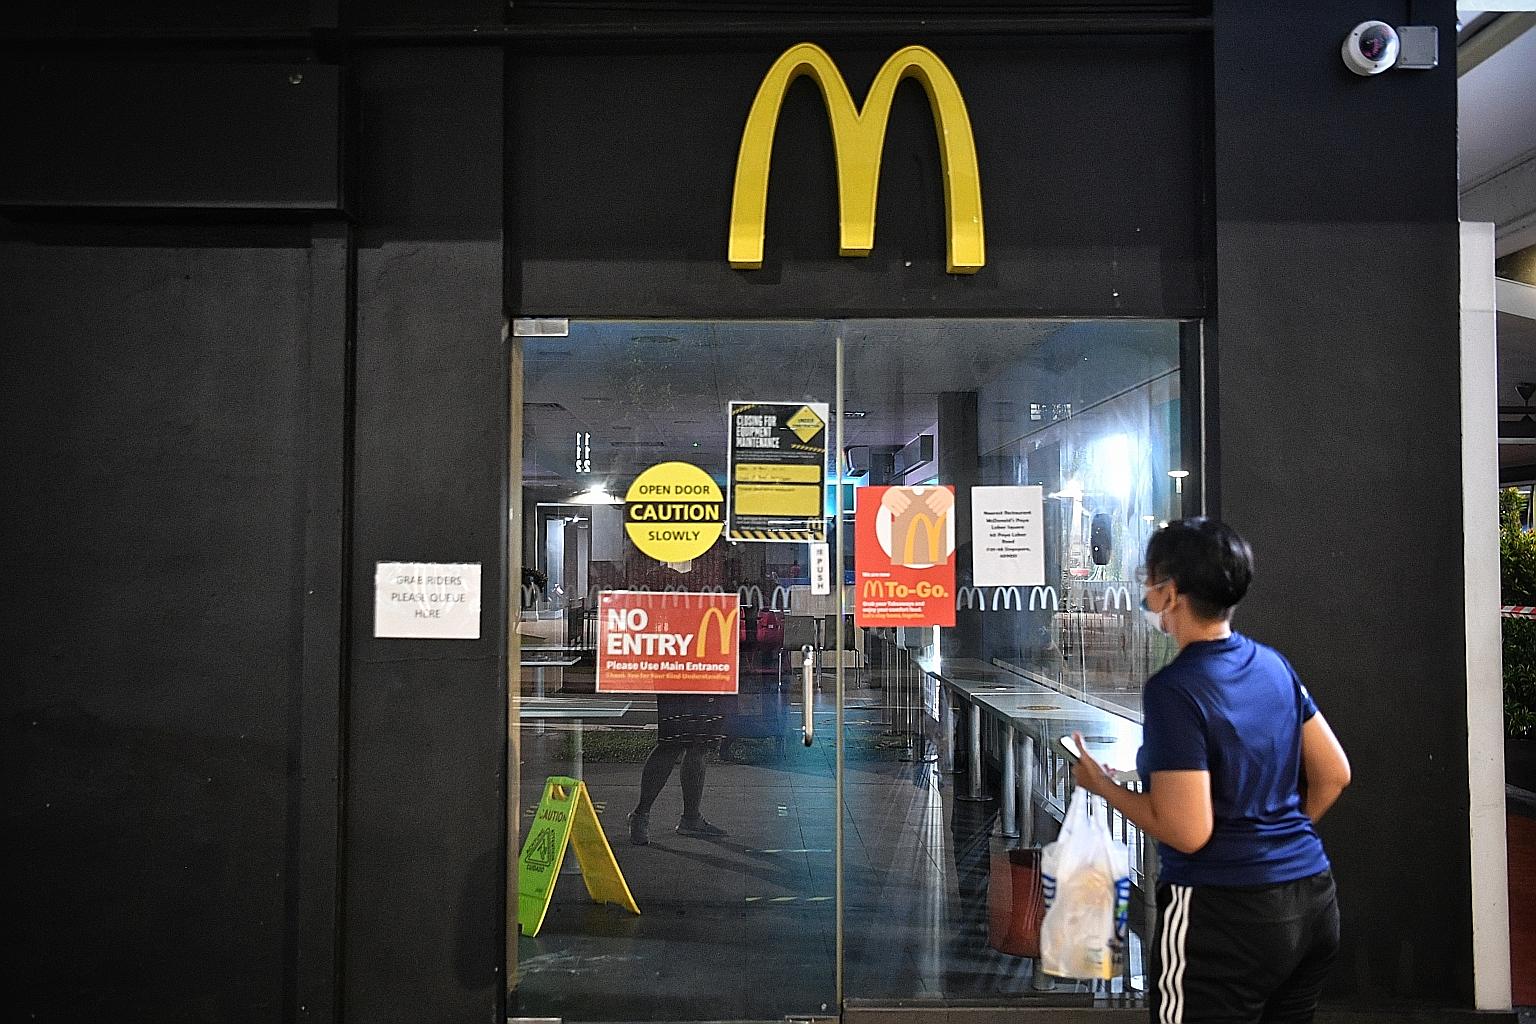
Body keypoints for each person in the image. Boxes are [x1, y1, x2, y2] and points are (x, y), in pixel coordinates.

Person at [1071, 517, 1352, 1024]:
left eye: (1149, 578)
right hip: (1311, 899)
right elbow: (1334, 773)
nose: (1146, 589)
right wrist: (1274, 845)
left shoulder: (1176, 688)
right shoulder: (1273, 665)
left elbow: (1188, 831)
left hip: (1222, 918)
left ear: (1171, 593)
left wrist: (1103, 786)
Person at [627, 694, 729, 844]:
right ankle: (641, 814)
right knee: (671, 744)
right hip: (682, 681)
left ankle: (690, 818)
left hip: (706, 680)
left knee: (699, 746)